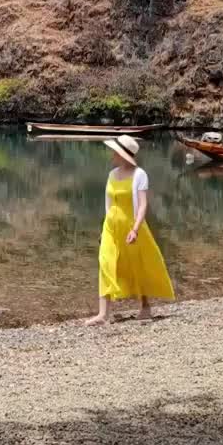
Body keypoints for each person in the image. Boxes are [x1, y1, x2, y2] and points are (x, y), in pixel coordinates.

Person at [86, 134, 175, 325]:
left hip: (131, 226)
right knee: (105, 262)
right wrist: (104, 229)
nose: (112, 155)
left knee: (137, 264)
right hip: (111, 226)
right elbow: (108, 204)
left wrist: (135, 229)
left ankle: (145, 306)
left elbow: (143, 205)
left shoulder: (139, 174)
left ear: (122, 154)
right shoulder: (112, 174)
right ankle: (103, 314)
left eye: (114, 152)